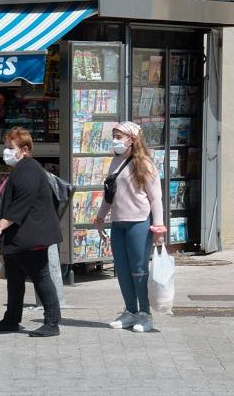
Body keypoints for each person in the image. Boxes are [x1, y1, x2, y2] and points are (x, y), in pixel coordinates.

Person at [0, 127, 62, 337]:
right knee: (14, 277)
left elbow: (21, 203)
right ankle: (11, 318)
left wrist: (0, 226)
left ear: (25, 150)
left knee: (41, 276)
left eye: (11, 148)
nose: (6, 152)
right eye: (6, 147)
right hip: (19, 236)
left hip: (32, 235)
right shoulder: (21, 169)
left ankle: (52, 322)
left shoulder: (29, 170)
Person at [95, 121, 166, 333]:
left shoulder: (145, 164)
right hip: (118, 222)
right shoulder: (115, 163)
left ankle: (145, 314)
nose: (115, 140)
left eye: (119, 136)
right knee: (123, 270)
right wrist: (100, 218)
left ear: (132, 140)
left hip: (139, 222)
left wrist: (158, 228)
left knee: (139, 269)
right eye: (114, 136)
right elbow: (110, 194)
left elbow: (156, 199)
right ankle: (130, 311)